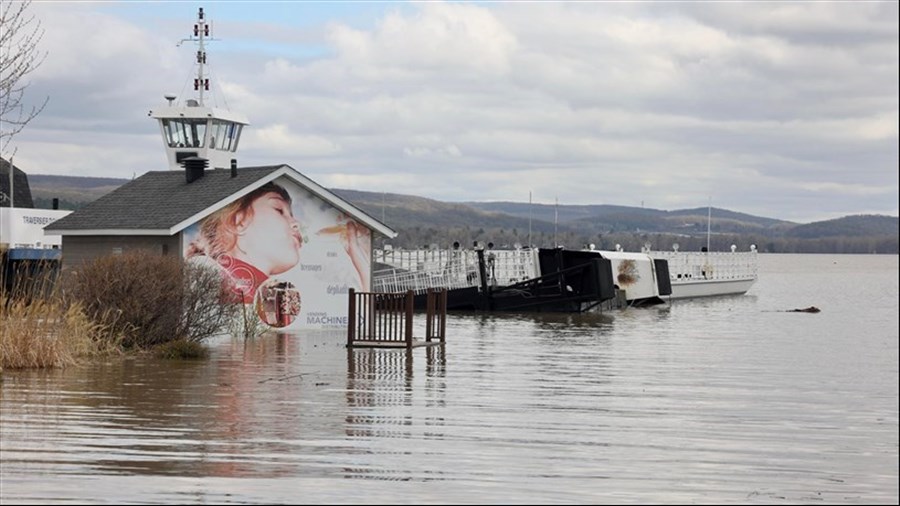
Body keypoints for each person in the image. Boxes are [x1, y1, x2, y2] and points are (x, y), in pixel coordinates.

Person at [186, 182, 303, 304]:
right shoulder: (210, 279)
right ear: (240, 222)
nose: (296, 223)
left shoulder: (258, 295)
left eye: (291, 215)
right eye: (279, 210)